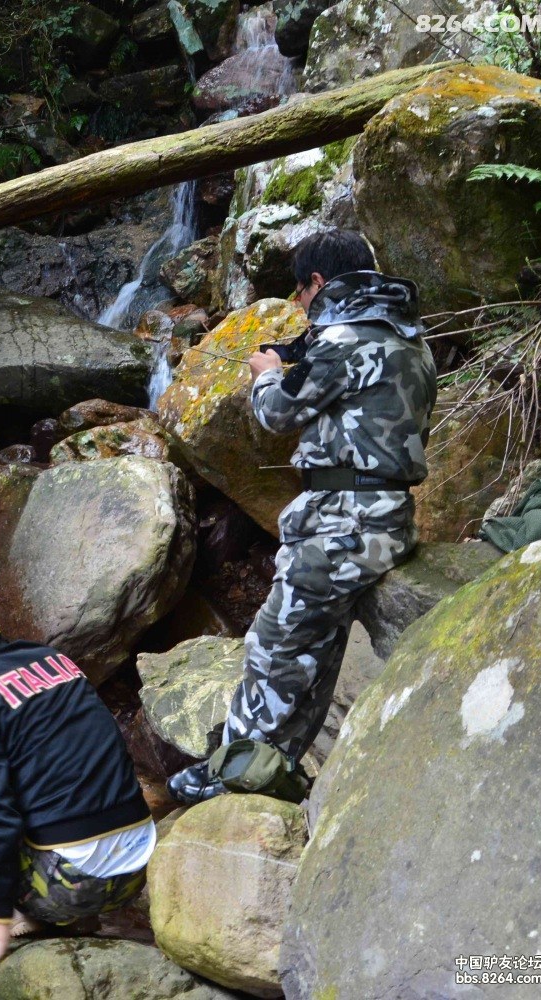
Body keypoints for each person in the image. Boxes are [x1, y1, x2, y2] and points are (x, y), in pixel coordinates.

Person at [168, 229, 437, 804]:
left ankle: (227, 770)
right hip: (383, 514)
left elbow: (276, 414)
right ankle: (273, 770)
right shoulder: (407, 336)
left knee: (274, 645)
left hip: (345, 524)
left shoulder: (341, 338)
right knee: (318, 651)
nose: (299, 303)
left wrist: (266, 372)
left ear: (317, 283)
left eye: (300, 290)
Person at [0, 559, 155, 994]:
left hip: (74, 880)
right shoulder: (51, 657)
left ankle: (22, 914)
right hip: (138, 866)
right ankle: (69, 911)